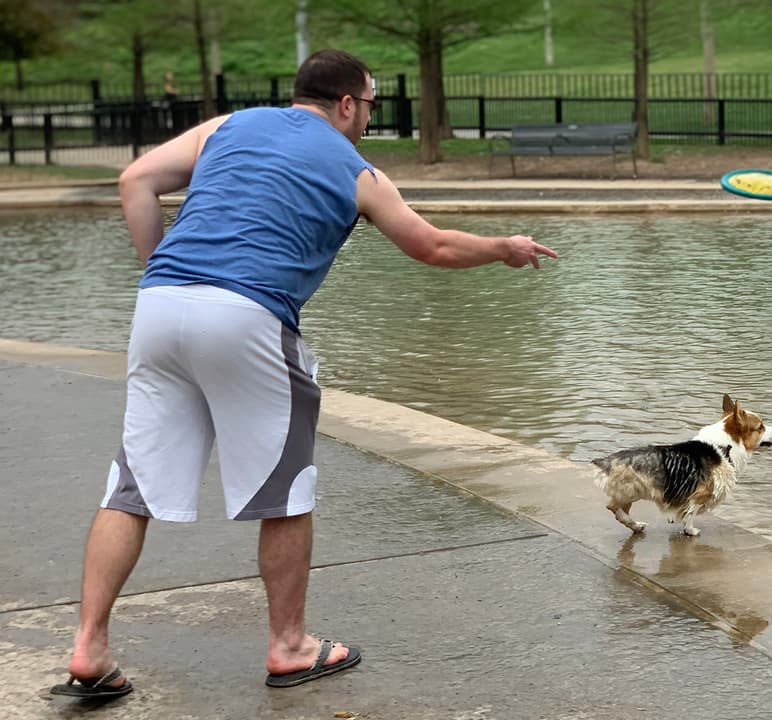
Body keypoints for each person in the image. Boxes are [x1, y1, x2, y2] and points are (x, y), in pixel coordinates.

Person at [51, 48, 556, 700]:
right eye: (370, 106)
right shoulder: (358, 170)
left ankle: (89, 646)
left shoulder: (227, 126)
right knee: (284, 487)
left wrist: (163, 273)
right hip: (248, 314)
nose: (369, 120)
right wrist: (504, 249)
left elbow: (135, 181)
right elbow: (428, 244)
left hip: (159, 307)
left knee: (132, 487)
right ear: (347, 104)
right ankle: (289, 645)